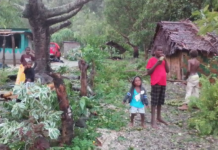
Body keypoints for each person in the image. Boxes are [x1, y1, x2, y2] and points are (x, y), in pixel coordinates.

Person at [146, 45, 169, 129]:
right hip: (155, 83)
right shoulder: (151, 60)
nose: (160, 52)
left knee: (160, 101)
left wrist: (165, 60)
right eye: (159, 50)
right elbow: (149, 72)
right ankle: (153, 121)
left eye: (162, 50)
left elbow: (167, 70)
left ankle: (159, 117)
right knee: (154, 102)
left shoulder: (163, 61)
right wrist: (156, 63)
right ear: (154, 51)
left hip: (163, 83)